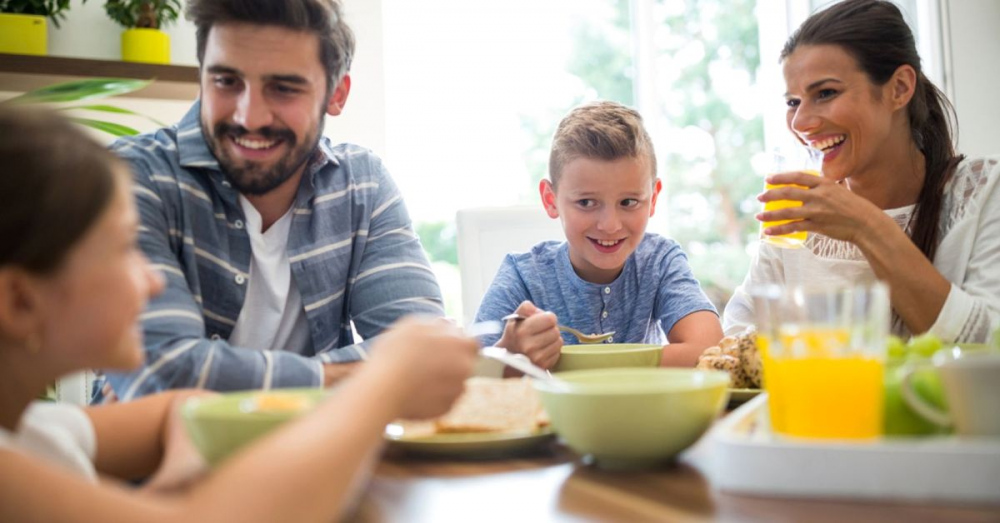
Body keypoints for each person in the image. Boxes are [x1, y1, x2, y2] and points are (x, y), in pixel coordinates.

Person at [0, 106, 478, 521]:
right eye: (126, 248)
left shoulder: (36, 433)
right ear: (20, 302)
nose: (153, 279)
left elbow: (180, 406)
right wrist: (382, 382)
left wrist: (179, 475)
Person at [103, 0, 444, 400]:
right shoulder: (130, 176)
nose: (250, 117)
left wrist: (208, 373)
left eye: (283, 88)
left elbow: (422, 347)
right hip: (156, 460)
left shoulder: (362, 185)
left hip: (325, 450)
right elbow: (160, 376)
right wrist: (353, 376)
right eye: (226, 82)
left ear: (336, 94)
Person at [723, 0, 1000, 343]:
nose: (801, 122)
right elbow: (737, 337)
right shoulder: (799, 218)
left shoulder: (984, 192)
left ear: (899, 88)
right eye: (793, 101)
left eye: (825, 93)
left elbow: (989, 349)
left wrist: (865, 226)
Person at [475, 101, 723, 368]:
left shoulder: (659, 260)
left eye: (628, 202)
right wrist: (509, 355)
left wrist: (583, 365)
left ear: (653, 199)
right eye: (586, 203)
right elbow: (469, 375)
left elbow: (709, 351)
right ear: (551, 199)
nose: (610, 225)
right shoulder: (523, 275)